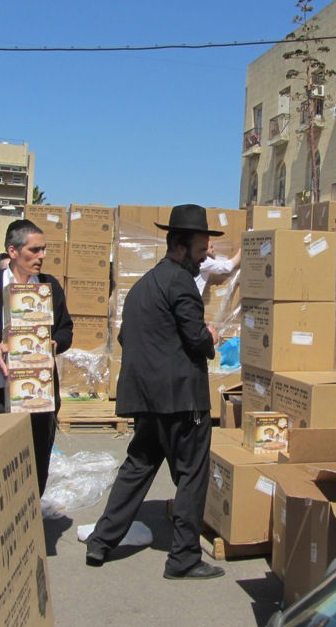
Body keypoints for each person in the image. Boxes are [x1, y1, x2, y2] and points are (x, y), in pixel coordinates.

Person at [86, 204, 224, 580]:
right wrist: (209, 336)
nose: (205, 256)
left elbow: (126, 336)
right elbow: (196, 339)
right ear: (180, 246)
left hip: (147, 399)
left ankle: (101, 541)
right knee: (192, 474)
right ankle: (183, 558)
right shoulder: (181, 283)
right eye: (201, 249)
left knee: (139, 465)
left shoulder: (144, 284)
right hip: (182, 400)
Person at [0, 220, 72, 495]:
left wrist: (54, 343)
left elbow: (66, 328)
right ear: (13, 251)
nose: (42, 256)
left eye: (44, 249)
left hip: (36, 398)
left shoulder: (48, 286)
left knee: (33, 471)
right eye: (35, 250)